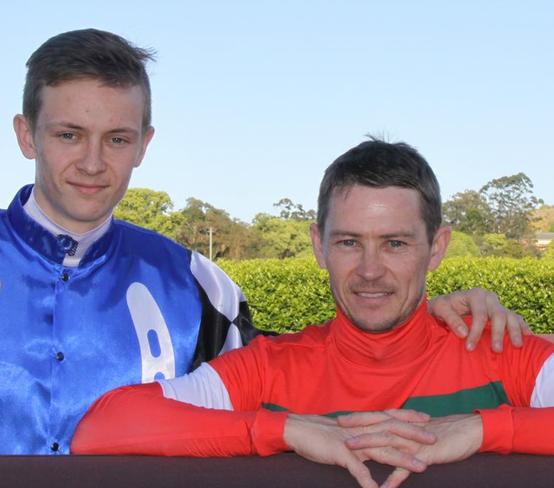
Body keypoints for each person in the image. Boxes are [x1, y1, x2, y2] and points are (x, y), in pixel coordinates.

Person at [0, 29, 525, 456]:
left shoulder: (197, 284)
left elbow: (320, 376)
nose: (93, 163)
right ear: (26, 134)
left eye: (117, 139)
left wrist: (441, 307)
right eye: (69, 134)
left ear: (145, 144)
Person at [71, 139, 554, 488]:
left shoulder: (493, 347)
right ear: (318, 246)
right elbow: (102, 428)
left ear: (436, 248)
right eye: (348, 242)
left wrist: (484, 428)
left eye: (395, 244)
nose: (369, 271)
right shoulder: (271, 367)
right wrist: (284, 430)